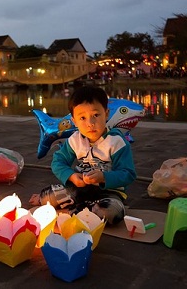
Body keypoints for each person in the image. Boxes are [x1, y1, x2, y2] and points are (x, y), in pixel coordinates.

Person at [29, 86, 136, 224]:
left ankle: (78, 210)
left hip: (110, 192)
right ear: (74, 121)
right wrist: (72, 176)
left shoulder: (117, 142)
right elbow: (58, 162)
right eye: (82, 118)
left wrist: (104, 177)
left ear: (107, 114)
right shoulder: (75, 140)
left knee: (110, 213)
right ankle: (83, 209)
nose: (90, 123)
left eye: (96, 115)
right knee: (48, 196)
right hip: (79, 189)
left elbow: (128, 174)